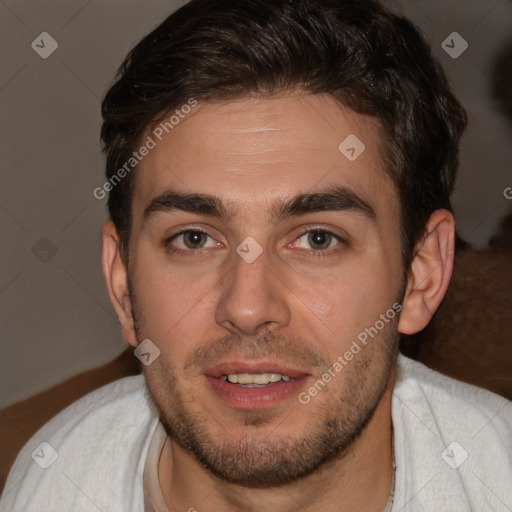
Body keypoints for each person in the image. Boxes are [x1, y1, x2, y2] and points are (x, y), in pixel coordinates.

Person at [1, 0, 511, 511]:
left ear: (421, 274)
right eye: (194, 239)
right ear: (121, 282)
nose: (247, 308)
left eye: (317, 239)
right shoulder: (53, 481)